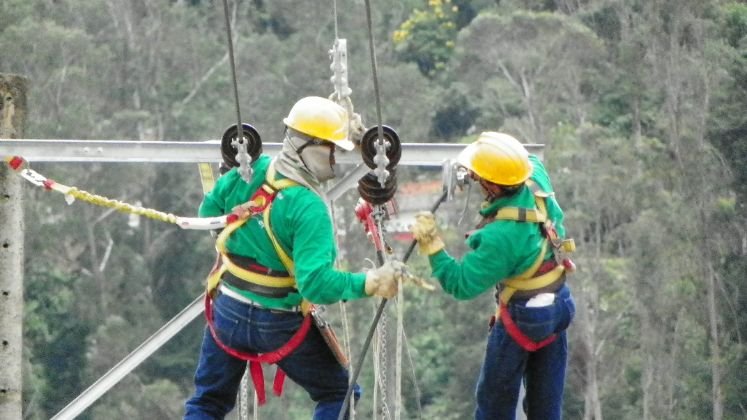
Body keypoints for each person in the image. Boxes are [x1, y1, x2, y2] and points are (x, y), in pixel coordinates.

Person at [184, 96, 408, 419]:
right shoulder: (308, 208)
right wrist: (370, 282)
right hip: (277, 320)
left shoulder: (251, 170)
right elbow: (315, 284)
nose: (335, 158)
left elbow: (210, 215)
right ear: (312, 149)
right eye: (331, 149)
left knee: (207, 402)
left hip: (228, 308)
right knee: (338, 394)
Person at [410, 131, 576, 420]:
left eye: (480, 177)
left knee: (493, 406)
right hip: (559, 305)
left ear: (493, 186)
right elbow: (525, 159)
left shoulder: (501, 235)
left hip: (524, 317)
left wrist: (433, 247)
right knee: (546, 407)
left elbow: (460, 284)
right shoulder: (537, 176)